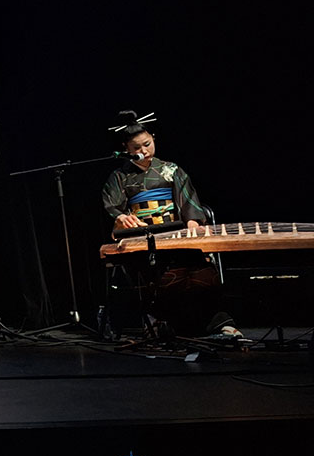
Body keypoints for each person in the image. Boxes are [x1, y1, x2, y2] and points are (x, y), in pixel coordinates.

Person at [101, 110, 240, 338]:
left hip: (175, 231)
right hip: (142, 235)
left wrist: (193, 224)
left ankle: (220, 322)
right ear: (126, 148)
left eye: (147, 144)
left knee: (202, 270)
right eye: (136, 148)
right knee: (165, 275)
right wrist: (120, 216)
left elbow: (188, 202)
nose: (143, 151)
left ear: (154, 138)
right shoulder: (119, 176)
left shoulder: (171, 169)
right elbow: (114, 206)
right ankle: (164, 321)